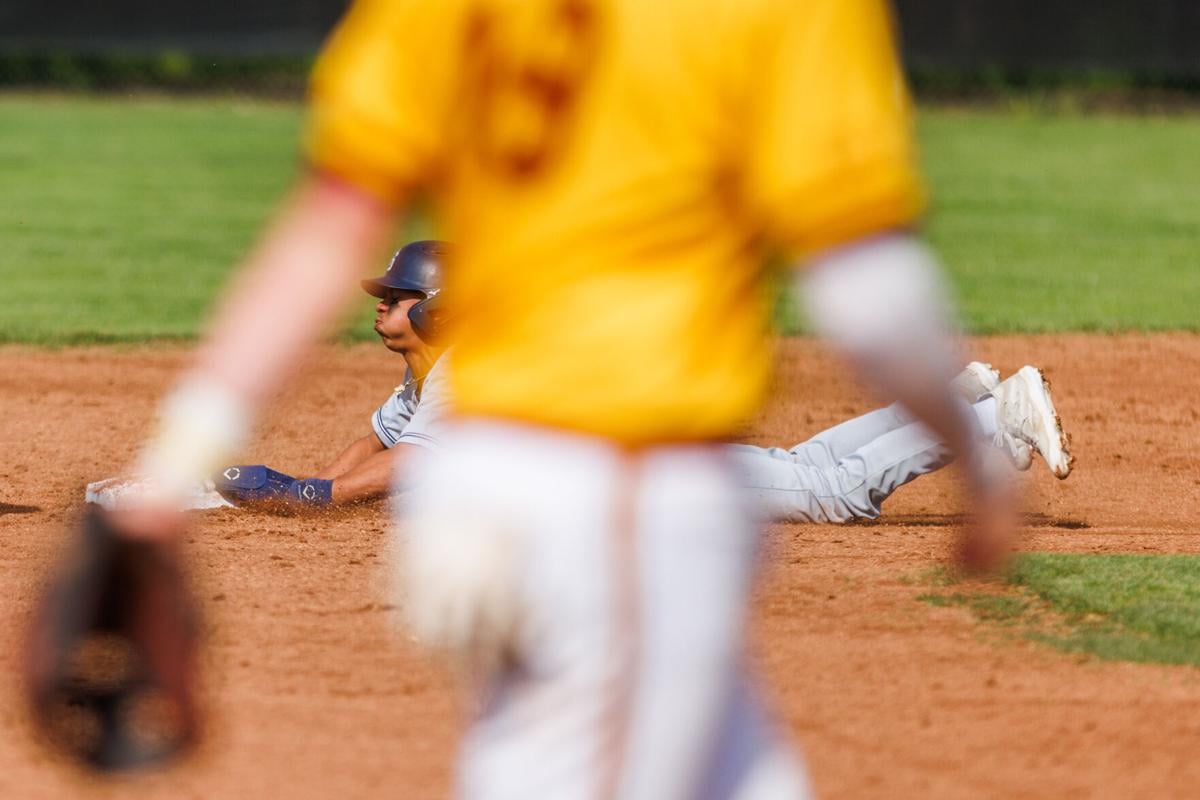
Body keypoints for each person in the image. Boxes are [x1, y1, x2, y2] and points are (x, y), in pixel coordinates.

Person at [29, 0, 1070, 795]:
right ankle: (978, 415)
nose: (384, 313)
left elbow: (321, 234)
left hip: (542, 497)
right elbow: (867, 288)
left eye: (398, 301)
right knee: (815, 493)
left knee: (795, 546)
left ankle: (983, 410)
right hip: (630, 491)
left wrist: (194, 467)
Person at [212, 240, 454, 508]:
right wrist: (306, 491)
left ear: (439, 313)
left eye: (394, 300)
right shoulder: (422, 372)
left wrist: (309, 497)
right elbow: (376, 445)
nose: (380, 306)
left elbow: (407, 461)